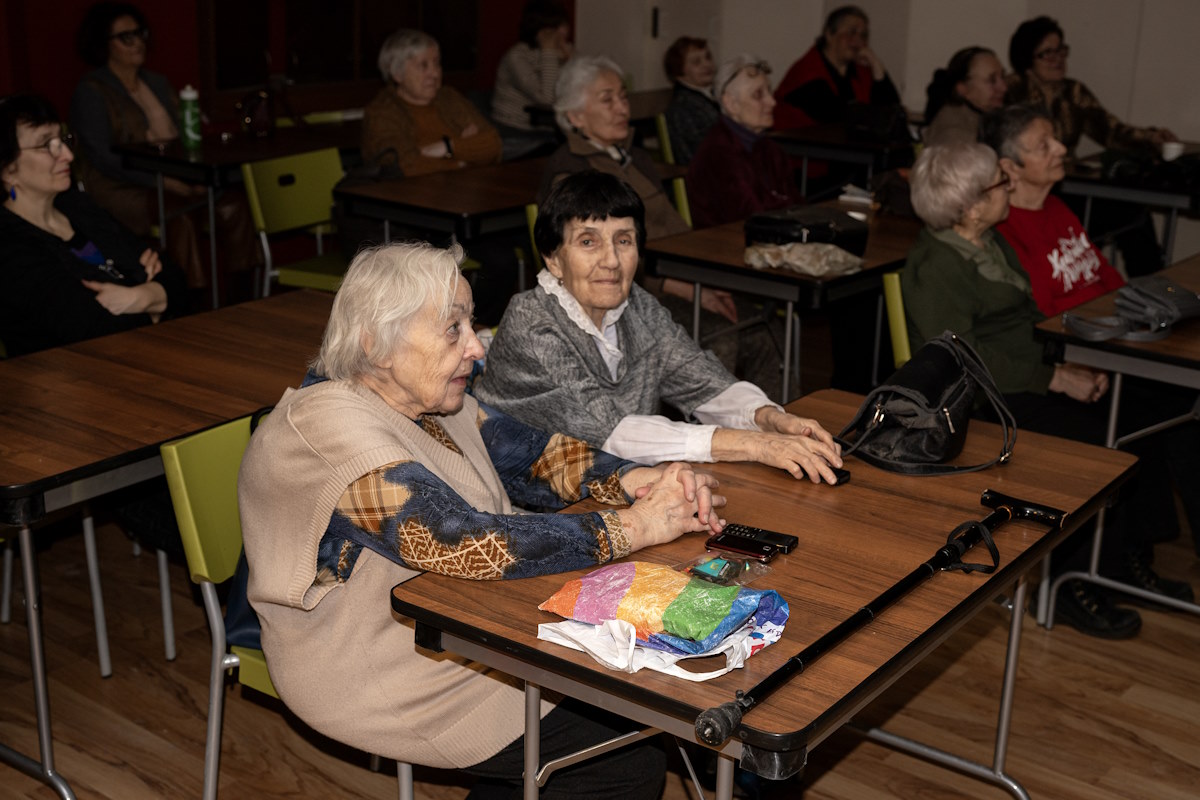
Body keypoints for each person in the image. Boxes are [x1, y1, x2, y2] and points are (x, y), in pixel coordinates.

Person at [239, 241, 726, 798]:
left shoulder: (424, 400)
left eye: (470, 324)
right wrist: (636, 526)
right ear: (376, 344)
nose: (476, 347)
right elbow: (459, 541)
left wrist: (636, 480)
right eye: (453, 329)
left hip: (460, 627)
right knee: (623, 759)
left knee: (634, 700)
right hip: (375, 670)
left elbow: (532, 456)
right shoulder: (328, 430)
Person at [901, 142, 1192, 639]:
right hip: (985, 399)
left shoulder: (989, 241)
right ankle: (1068, 587)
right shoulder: (936, 267)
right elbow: (963, 357)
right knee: (1100, 445)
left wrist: (1071, 360)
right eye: (1000, 182)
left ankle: (1125, 560)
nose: (1009, 185)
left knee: (1142, 416)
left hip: (1025, 376)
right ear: (971, 206)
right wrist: (1055, 377)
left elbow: (1028, 320)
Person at [473, 171, 844, 483]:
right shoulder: (531, 322)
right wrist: (754, 444)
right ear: (553, 259)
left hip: (615, 486)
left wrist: (768, 418)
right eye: (588, 242)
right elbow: (610, 433)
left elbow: (702, 380)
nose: (611, 260)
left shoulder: (636, 306)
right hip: (528, 506)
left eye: (624, 240)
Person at [70, 1, 259, 295]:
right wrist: (165, 182)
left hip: (176, 178)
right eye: (126, 37)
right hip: (121, 186)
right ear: (104, 44)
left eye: (140, 33)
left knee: (234, 204)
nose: (138, 43)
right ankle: (190, 299)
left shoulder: (157, 83)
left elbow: (186, 136)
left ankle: (243, 296)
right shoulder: (92, 90)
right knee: (179, 213)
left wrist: (191, 177)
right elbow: (103, 158)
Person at [1, 93, 187, 357]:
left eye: (63, 140)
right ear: (8, 169)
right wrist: (159, 304)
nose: (67, 155)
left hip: (142, 355)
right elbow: (94, 330)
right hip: (73, 375)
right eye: (46, 145)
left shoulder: (77, 207)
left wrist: (142, 298)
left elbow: (176, 277)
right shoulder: (9, 245)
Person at [1005, 15, 1173, 275]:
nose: (1058, 59)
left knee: (1134, 213)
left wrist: (1151, 138)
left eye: (1061, 50)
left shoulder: (1074, 92)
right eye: (1047, 53)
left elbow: (1109, 130)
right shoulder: (1011, 92)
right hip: (1028, 190)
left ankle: (1152, 288)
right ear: (1027, 59)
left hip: (1067, 185)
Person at [984, 105, 1123, 317]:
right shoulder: (1005, 230)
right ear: (1011, 168)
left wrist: (1129, 307)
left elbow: (1104, 272)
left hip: (1107, 320)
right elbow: (1044, 314)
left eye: (1055, 139)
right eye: (1044, 146)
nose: (1061, 149)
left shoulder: (1056, 206)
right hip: (1075, 330)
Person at [363, 29, 502, 176]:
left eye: (437, 64)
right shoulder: (382, 112)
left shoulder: (448, 97)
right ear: (397, 74)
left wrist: (447, 147)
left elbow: (494, 145)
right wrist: (463, 159)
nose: (434, 73)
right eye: (423, 66)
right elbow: (403, 165)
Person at [687, 54, 800, 228]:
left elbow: (797, 205)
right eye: (758, 95)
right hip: (726, 241)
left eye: (769, 91)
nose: (772, 102)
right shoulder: (718, 155)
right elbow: (751, 217)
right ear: (731, 104)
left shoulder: (771, 149)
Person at [772, 5, 900, 131]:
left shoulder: (860, 71)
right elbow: (838, 117)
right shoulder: (807, 71)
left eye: (864, 35)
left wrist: (876, 64)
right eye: (852, 32)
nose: (858, 41)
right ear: (829, 34)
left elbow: (893, 112)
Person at [490, 0, 571, 161]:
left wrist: (570, 60)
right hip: (516, 130)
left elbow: (581, 90)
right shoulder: (517, 56)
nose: (563, 32)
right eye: (556, 27)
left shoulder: (564, 51)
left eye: (564, 25)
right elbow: (547, 99)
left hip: (551, 128)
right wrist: (549, 51)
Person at [922, 46, 1007, 147]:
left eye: (1002, 77)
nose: (1003, 88)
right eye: (991, 80)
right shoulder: (954, 134)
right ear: (962, 89)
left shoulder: (986, 115)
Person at [661, 36, 719, 165]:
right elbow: (702, 153)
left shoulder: (714, 94)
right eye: (696, 62)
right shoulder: (682, 106)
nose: (706, 65)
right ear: (679, 69)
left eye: (708, 57)